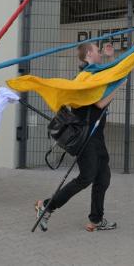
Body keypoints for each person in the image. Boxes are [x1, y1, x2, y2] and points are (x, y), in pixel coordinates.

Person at [35, 42, 118, 232]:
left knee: (103, 177)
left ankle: (96, 220)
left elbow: (116, 74)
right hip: (86, 136)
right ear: (89, 53)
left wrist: (112, 57)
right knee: (86, 177)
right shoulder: (84, 77)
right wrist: (117, 87)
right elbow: (99, 103)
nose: (100, 54)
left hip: (97, 136)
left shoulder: (93, 74)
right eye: (98, 51)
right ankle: (46, 206)